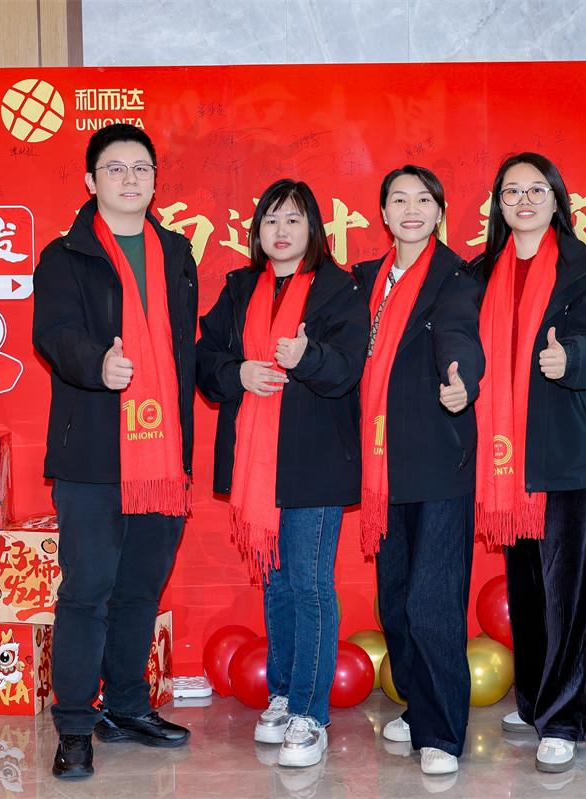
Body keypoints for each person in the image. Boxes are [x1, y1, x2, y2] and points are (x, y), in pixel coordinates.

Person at [33, 124, 198, 779]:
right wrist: (96, 364)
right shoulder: (65, 255)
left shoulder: (175, 252)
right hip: (94, 454)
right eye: (116, 168)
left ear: (155, 180)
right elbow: (54, 334)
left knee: (139, 589)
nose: (131, 179)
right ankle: (75, 724)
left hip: (161, 457)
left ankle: (126, 707)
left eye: (142, 168)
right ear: (90, 181)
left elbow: (182, 351)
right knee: (88, 590)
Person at [197, 179, 368, 768]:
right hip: (257, 463)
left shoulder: (340, 289)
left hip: (315, 460)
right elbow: (205, 358)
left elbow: (348, 368)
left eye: (294, 219)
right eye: (271, 219)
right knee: (276, 582)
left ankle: (310, 715)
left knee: (310, 583)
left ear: (314, 229)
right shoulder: (240, 287)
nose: (281, 230)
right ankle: (283, 694)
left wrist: (307, 357)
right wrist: (238, 373)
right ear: (257, 232)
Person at [469, 152, 586, 773]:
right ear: (499, 205)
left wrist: (570, 359)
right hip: (508, 457)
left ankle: (564, 719)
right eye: (512, 192)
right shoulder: (481, 273)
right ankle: (534, 702)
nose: (524, 201)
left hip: (565, 452)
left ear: (557, 199)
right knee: (528, 589)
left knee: (568, 594)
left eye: (536, 190)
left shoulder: (585, 268)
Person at [353, 165, 485, 776]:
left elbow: (459, 337)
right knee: (398, 597)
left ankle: (441, 732)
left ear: (439, 212)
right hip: (382, 464)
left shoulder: (455, 277)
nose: (411, 209)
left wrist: (462, 381)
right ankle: (418, 702)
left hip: (437, 456)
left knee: (434, 598)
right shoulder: (364, 280)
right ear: (383, 213)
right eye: (399, 200)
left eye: (424, 200)